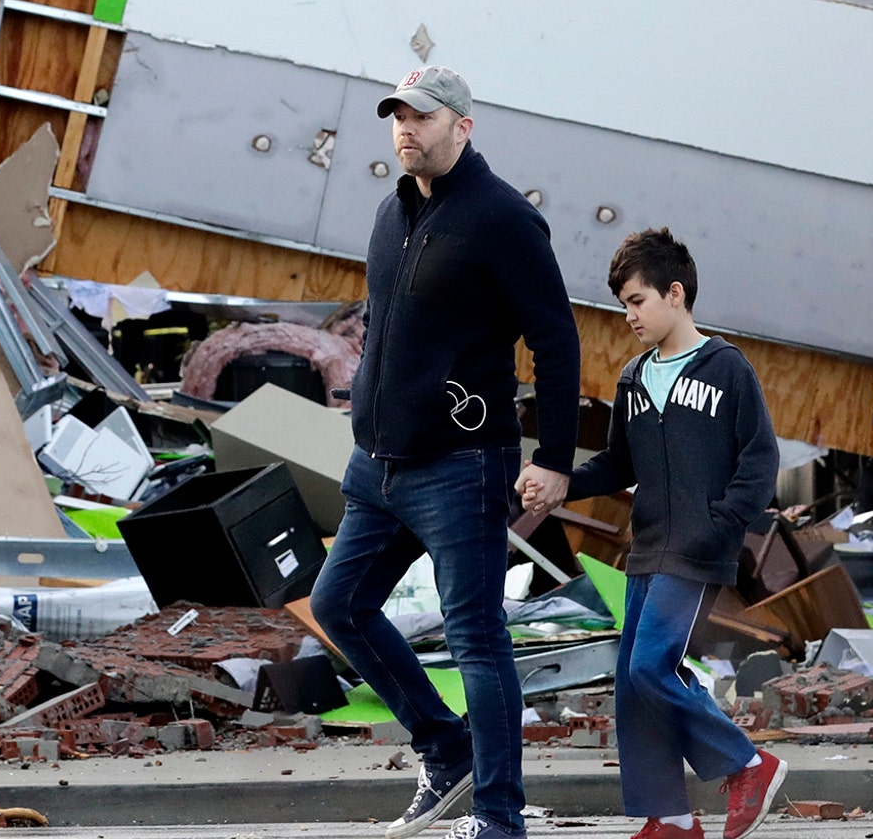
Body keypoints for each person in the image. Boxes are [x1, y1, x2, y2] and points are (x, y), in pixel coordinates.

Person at [312, 66, 582, 839]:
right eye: (398, 116)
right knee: (340, 604)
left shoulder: (501, 219)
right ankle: (446, 750)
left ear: (463, 127)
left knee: (475, 635)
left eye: (423, 118)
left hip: (462, 465)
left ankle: (499, 817)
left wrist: (554, 458)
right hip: (378, 467)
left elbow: (557, 341)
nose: (407, 129)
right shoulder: (390, 213)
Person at [518, 228, 787, 839]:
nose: (629, 316)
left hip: (696, 551)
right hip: (648, 549)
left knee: (650, 668)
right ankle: (668, 816)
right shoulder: (634, 378)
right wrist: (560, 479)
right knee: (634, 683)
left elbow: (760, 460)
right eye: (623, 305)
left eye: (637, 301)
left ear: (675, 293)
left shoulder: (726, 369)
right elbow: (619, 464)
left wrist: (720, 526)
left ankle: (748, 764)